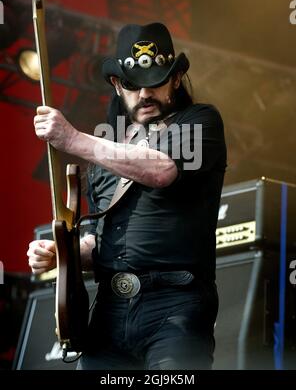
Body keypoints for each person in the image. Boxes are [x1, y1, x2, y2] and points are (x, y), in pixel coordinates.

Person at [27, 22, 227, 370]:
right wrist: (64, 253)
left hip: (175, 307)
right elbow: (98, 241)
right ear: (118, 85)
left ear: (176, 79)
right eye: (133, 85)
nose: (145, 95)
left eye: (155, 82)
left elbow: (162, 170)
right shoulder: (108, 149)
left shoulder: (199, 121)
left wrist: (74, 140)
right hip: (108, 312)